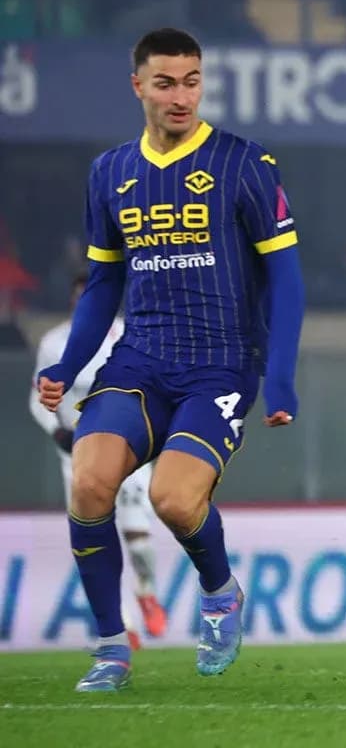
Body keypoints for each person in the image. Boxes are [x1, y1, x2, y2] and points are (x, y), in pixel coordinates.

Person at [35, 27, 305, 692]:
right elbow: (102, 284)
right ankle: (109, 651)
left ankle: (219, 592)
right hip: (139, 362)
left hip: (218, 365)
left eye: (191, 80)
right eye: (165, 82)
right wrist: (68, 366)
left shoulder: (245, 164)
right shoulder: (111, 173)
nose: (180, 95)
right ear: (138, 86)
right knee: (91, 484)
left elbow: (288, 279)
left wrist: (279, 377)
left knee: (173, 502)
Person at [30, 273, 168, 643]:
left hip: (127, 445)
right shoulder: (54, 343)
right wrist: (57, 430)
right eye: (80, 295)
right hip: (76, 450)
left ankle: (146, 590)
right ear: (74, 299)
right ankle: (124, 625)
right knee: (97, 535)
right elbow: (38, 397)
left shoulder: (131, 335)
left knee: (138, 539)